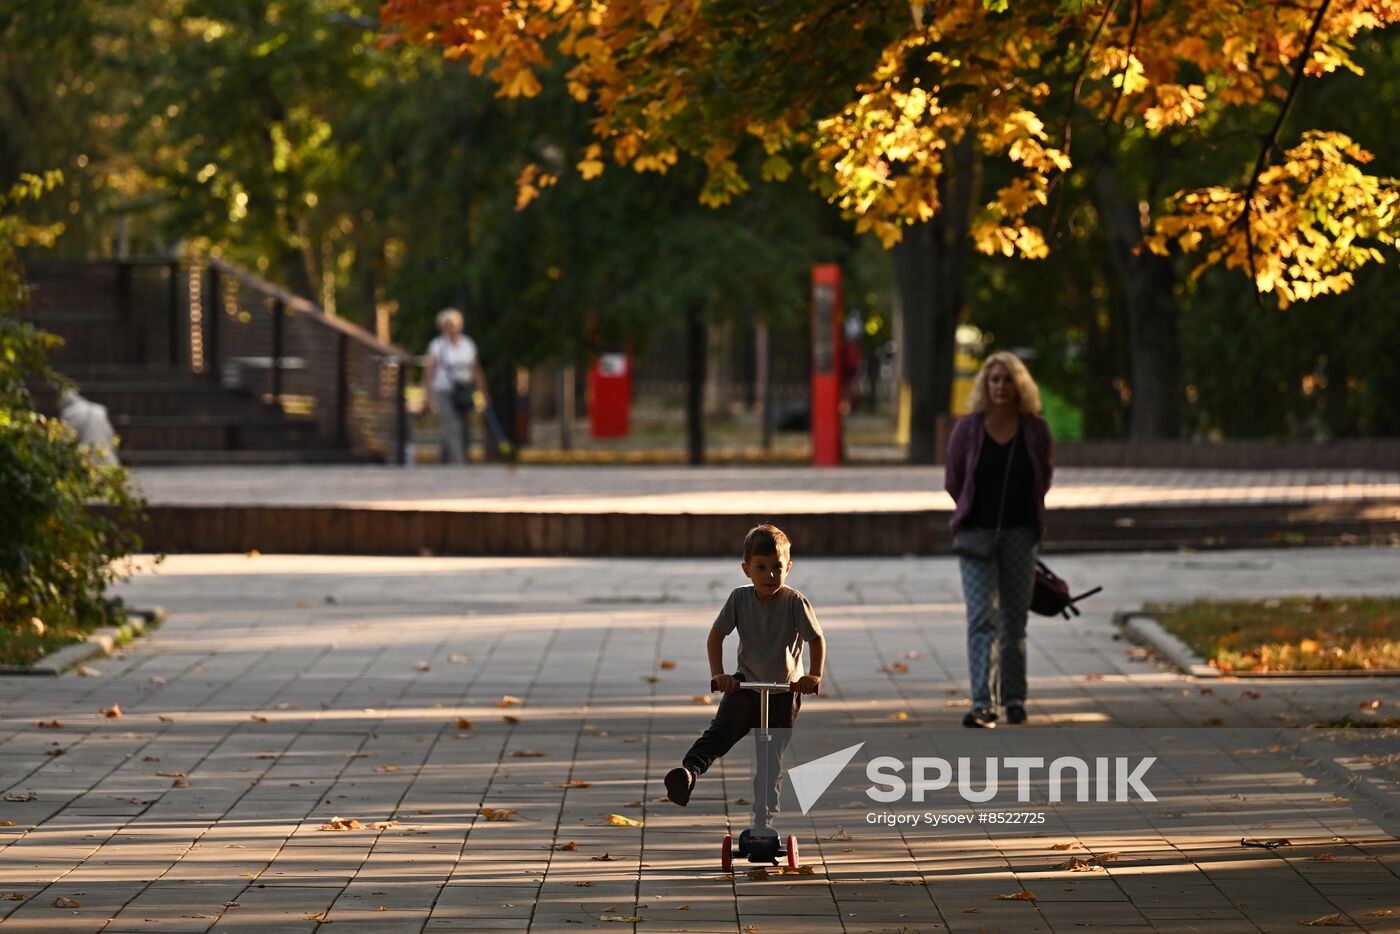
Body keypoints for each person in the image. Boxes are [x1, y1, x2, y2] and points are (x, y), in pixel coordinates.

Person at [665, 525, 825, 810]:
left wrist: (813, 675)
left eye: (777, 567)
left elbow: (816, 639)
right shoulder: (739, 598)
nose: (770, 575)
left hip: (784, 690)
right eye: (761, 567)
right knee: (719, 734)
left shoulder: (795, 603)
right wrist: (719, 674)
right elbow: (716, 636)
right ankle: (688, 774)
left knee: (769, 758)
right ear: (746, 569)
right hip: (746, 685)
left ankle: (765, 814)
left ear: (789, 567)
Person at [944, 351, 1053, 729]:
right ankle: (982, 703)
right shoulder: (969, 428)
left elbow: (1044, 476)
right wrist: (973, 510)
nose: (1001, 387)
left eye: (1008, 380)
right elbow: (954, 478)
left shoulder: (1035, 429)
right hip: (975, 536)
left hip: (1021, 536)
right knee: (981, 619)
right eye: (994, 380)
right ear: (985, 386)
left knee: (1014, 623)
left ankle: (1015, 699)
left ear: (1020, 385)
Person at [422, 308, 488, 465]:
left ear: (460, 325)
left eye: (453, 324)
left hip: (463, 389)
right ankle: (461, 463)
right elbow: (429, 371)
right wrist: (427, 394)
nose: (450, 328)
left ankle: (442, 461)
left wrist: (482, 391)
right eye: (447, 324)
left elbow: (475, 369)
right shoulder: (437, 345)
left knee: (463, 426)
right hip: (443, 389)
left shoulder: (467, 345)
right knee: (451, 424)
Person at [58, 389, 119, 467]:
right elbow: (111, 434)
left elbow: (66, 439)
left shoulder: (69, 413)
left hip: (87, 459)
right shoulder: (99, 409)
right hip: (107, 455)